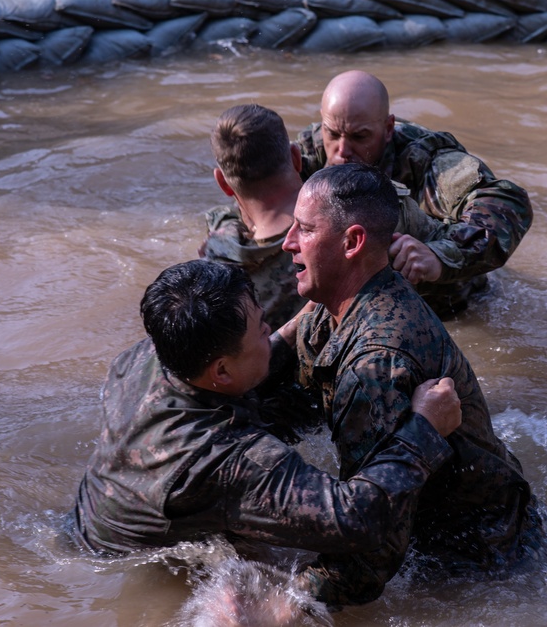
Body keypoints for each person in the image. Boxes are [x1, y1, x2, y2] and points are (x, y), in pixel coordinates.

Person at [69, 259, 463, 611]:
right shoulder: (232, 459)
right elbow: (355, 517)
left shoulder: (151, 353)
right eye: (262, 329)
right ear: (221, 371)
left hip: (94, 524)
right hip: (131, 564)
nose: (271, 330)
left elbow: (247, 365)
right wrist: (424, 430)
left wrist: (308, 316)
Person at [269, 163, 547, 607]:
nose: (287, 243)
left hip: (480, 562)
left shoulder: (378, 362)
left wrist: (282, 602)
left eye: (304, 230)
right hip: (459, 526)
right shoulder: (334, 308)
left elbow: (370, 552)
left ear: (352, 242)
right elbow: (268, 395)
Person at [294, 69, 534, 315]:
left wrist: (437, 255)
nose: (342, 150)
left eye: (359, 137)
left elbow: (508, 204)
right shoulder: (311, 151)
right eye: (332, 134)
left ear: (388, 129)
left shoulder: (426, 160)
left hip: (454, 306)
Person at [199, 103, 444, 328]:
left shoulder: (216, 266)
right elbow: (470, 283)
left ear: (223, 183)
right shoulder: (373, 209)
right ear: (297, 158)